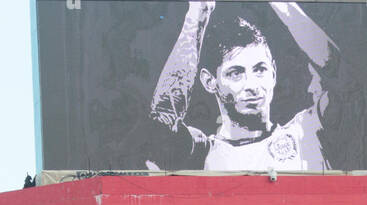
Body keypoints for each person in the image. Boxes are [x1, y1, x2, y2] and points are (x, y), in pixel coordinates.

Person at [146, 1, 343, 173]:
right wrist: (198, 15)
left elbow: (341, 77)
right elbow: (162, 120)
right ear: (209, 81)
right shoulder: (202, 154)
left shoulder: (309, 130)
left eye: (260, 69)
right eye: (236, 73)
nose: (252, 85)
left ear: (273, 73)